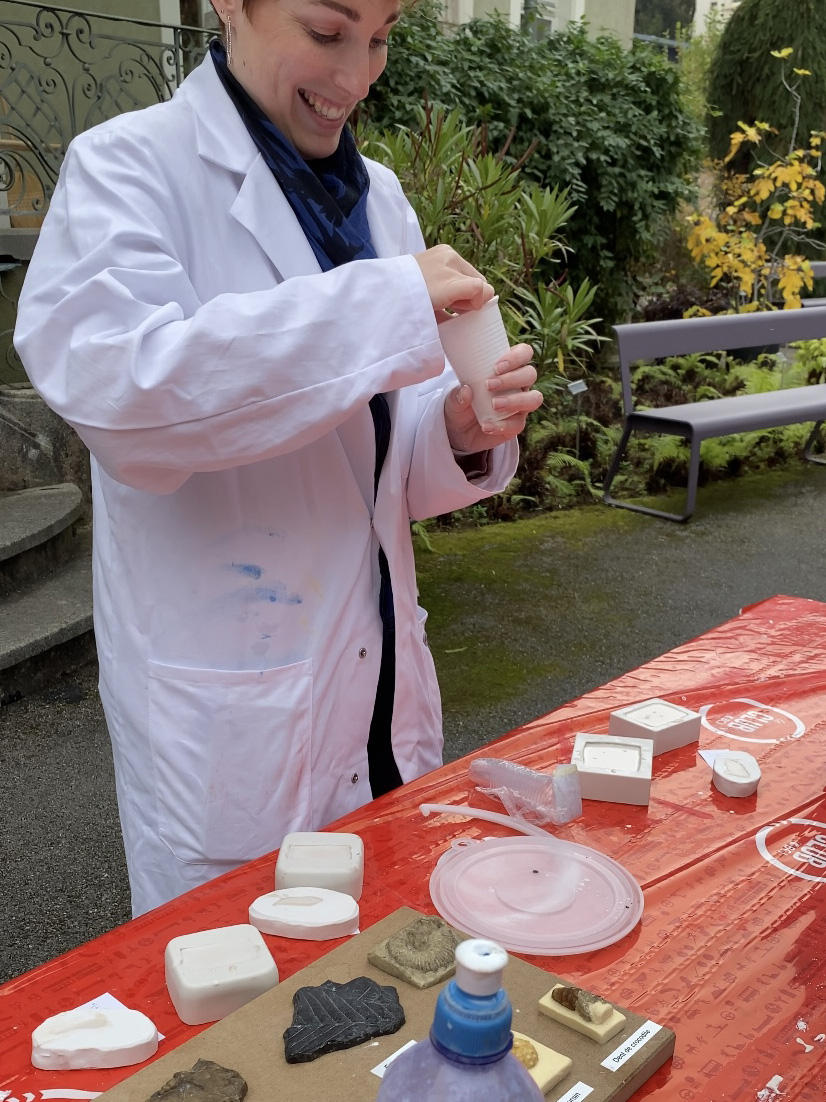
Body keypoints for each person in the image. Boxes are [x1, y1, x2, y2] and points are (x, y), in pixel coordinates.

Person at [14, 0, 542, 916]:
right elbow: (126, 399)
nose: (357, 75)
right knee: (238, 987)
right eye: (328, 32)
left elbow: (372, 464)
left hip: (378, 701)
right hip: (235, 729)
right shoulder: (126, 168)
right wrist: (385, 306)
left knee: (392, 961)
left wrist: (456, 431)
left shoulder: (378, 198)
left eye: (381, 38)